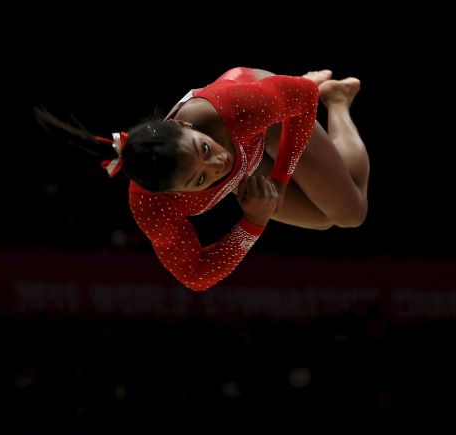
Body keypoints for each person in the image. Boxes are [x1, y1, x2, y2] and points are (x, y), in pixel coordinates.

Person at [35, 68, 369, 291]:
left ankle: (337, 100)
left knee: (351, 212)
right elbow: (195, 274)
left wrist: (280, 181)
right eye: (199, 179)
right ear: (168, 194)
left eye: (205, 149)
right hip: (247, 162)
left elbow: (303, 99)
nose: (217, 163)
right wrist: (253, 222)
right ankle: (297, 92)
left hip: (265, 118)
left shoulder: (232, 107)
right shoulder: (153, 207)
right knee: (322, 220)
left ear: (185, 127)